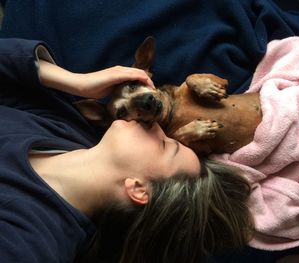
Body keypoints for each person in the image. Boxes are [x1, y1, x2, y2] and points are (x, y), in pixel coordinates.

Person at [0, 38, 253, 263]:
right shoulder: (66, 126)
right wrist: (75, 82)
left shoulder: (33, 236)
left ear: (138, 188)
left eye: (167, 146)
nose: (157, 126)